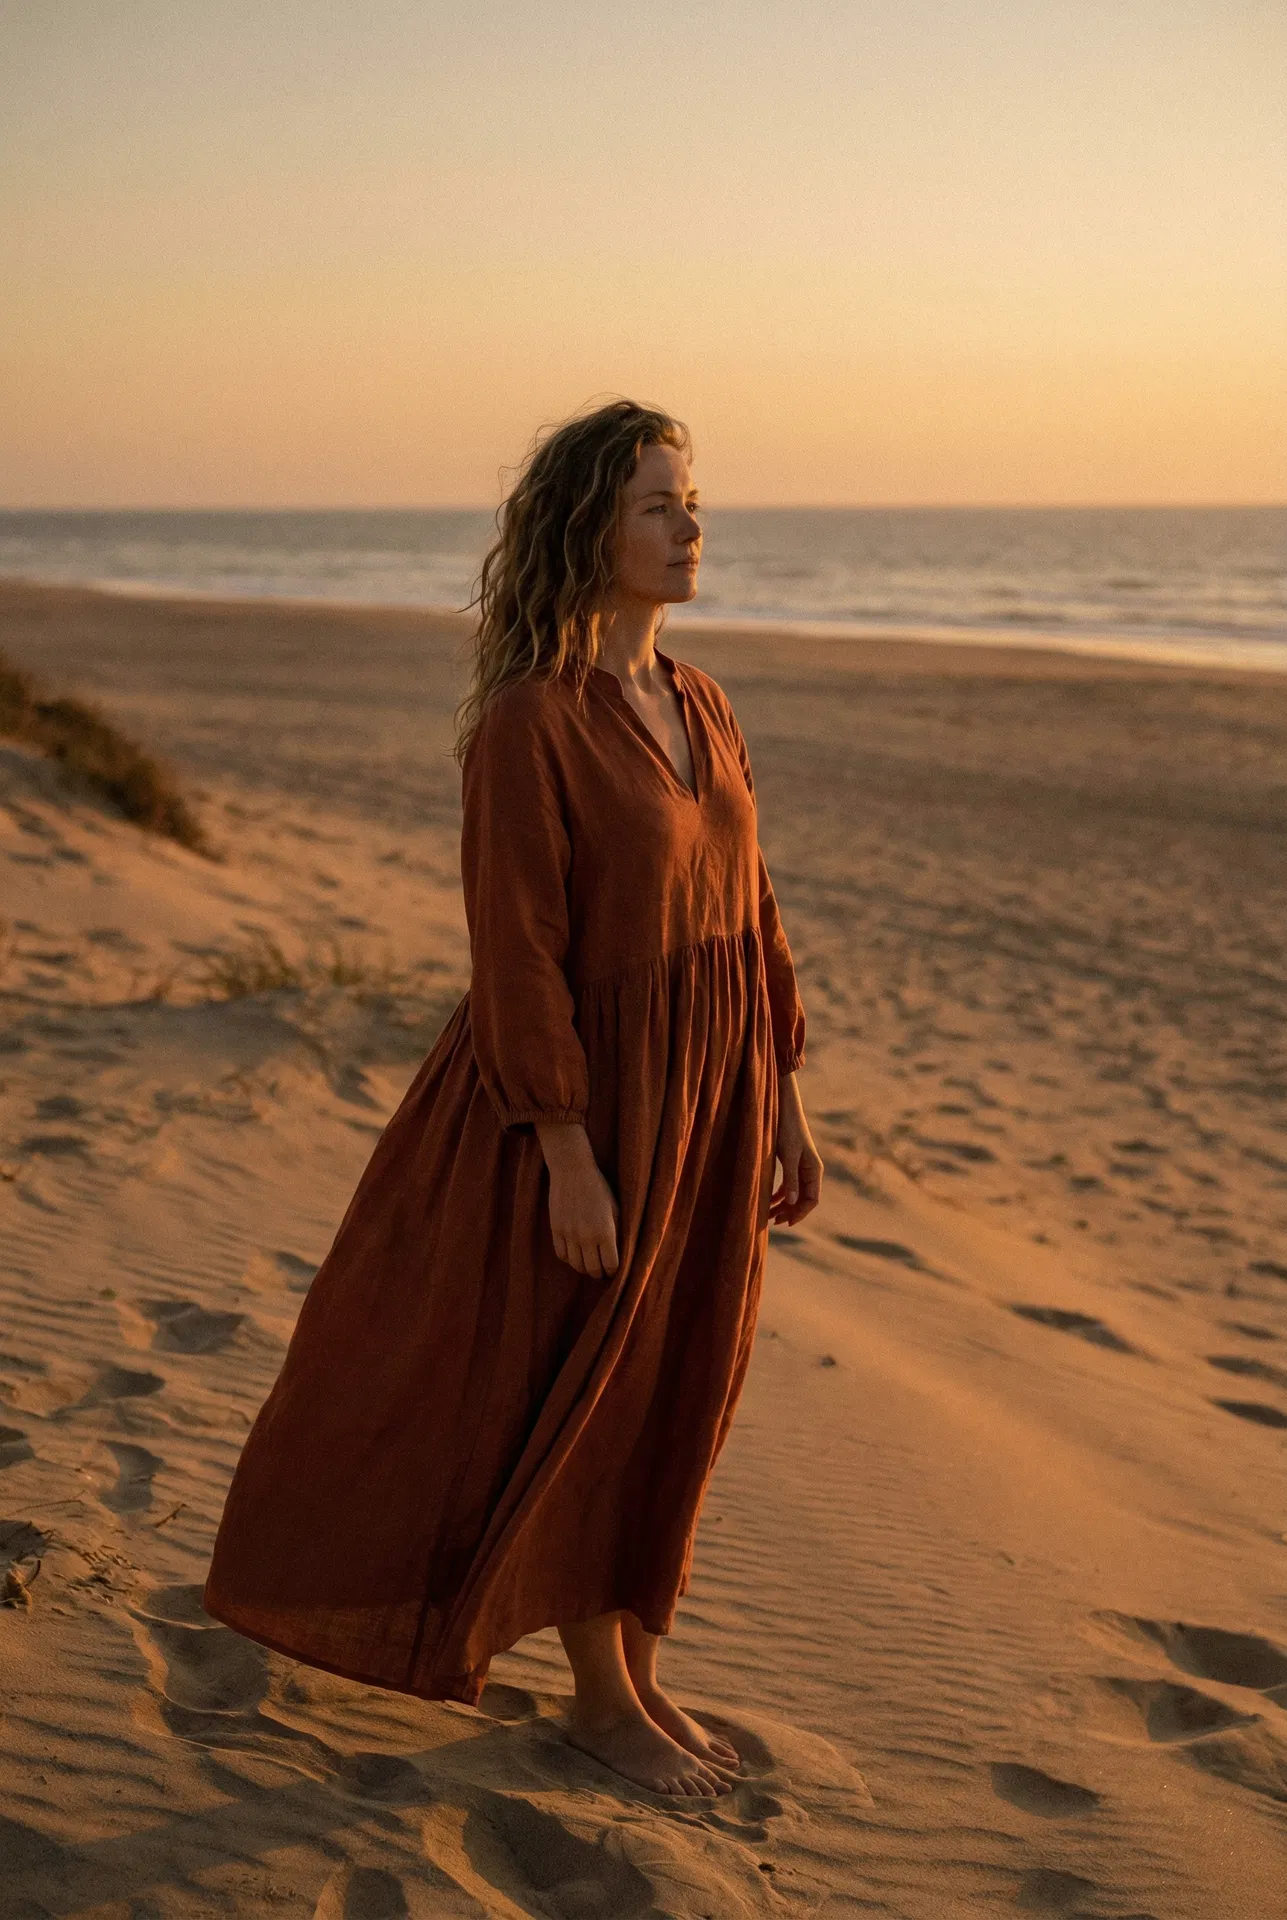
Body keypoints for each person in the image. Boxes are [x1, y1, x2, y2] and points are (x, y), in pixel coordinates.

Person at [203, 399, 823, 1800]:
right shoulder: (529, 726)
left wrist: (782, 1089)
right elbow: (517, 952)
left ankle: (641, 1677)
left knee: (678, 1382)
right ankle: (598, 1703)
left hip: (716, 1096)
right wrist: (566, 1151)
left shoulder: (702, 700)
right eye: (658, 504)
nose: (690, 525)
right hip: (593, 1108)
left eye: (693, 499)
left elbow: (752, 904)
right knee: (585, 1390)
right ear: (587, 530)